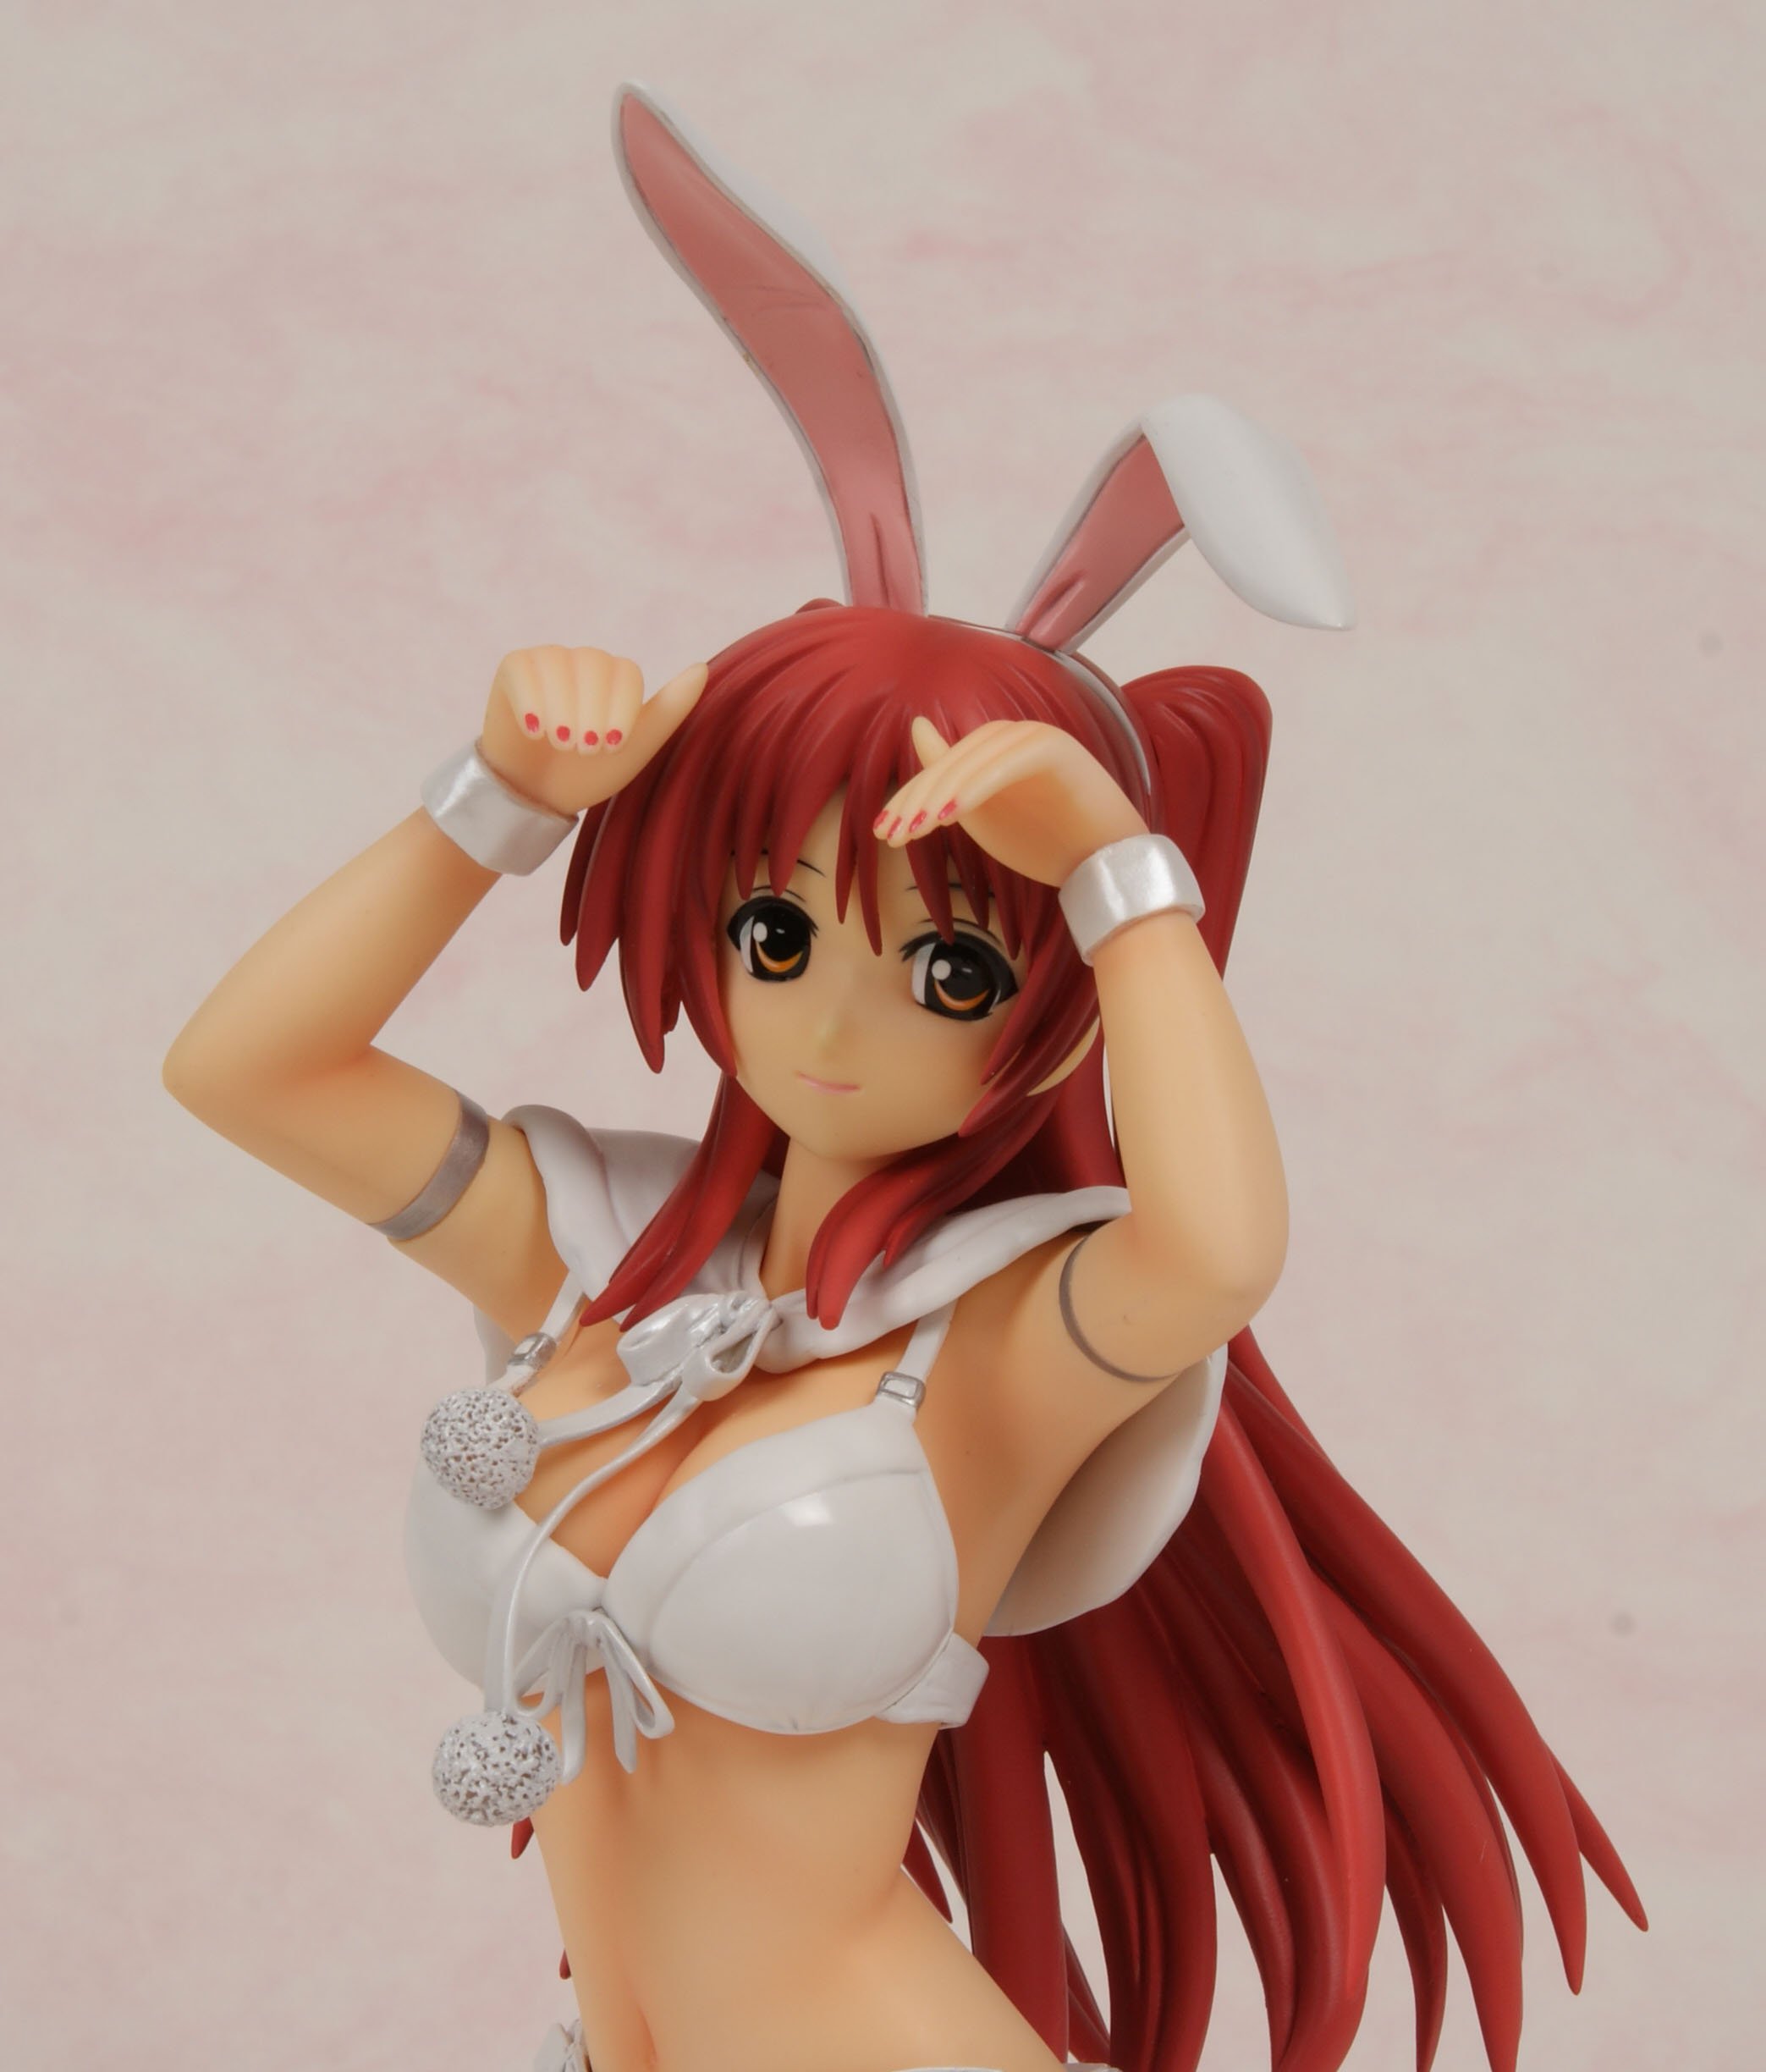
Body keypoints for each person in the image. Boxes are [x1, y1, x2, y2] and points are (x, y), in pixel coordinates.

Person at [162, 85, 1642, 2072]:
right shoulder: (595, 1260)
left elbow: (1216, 1253)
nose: (835, 1030)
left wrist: (1121, 883)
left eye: (948, 968)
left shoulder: (999, 1345)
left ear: (1053, 1015)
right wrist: (497, 799)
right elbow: (246, 1070)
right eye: (776, 937)